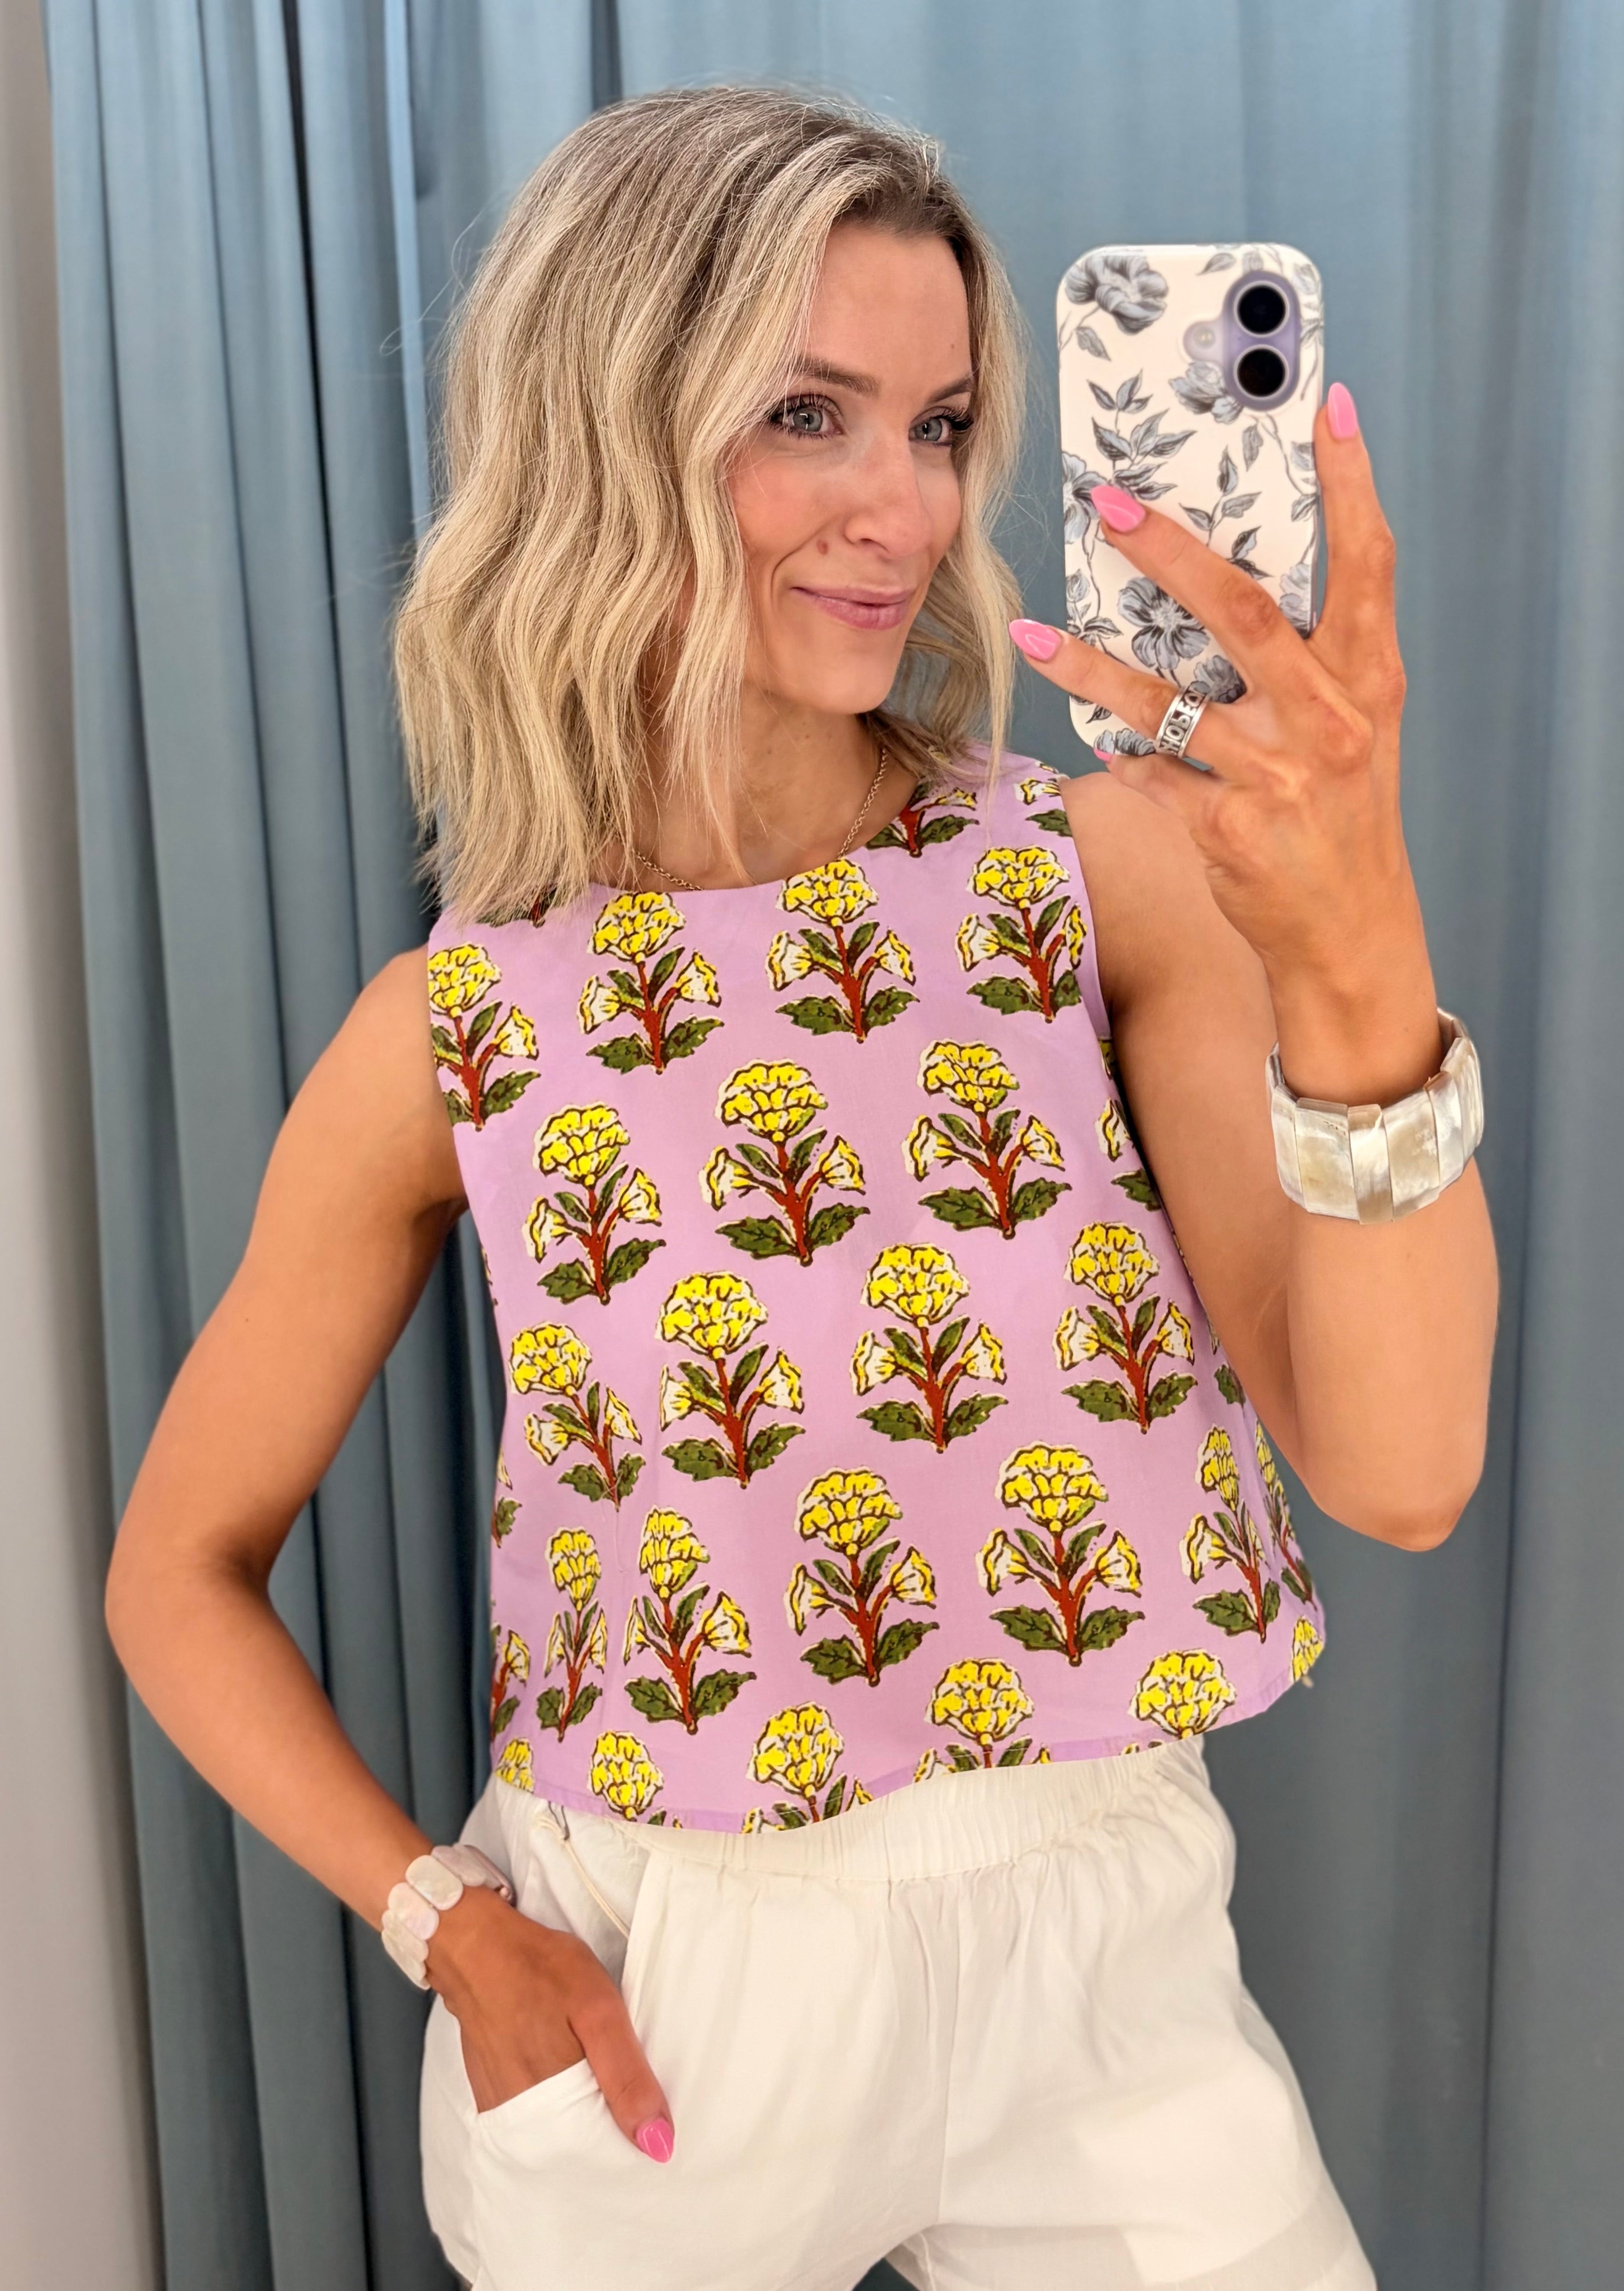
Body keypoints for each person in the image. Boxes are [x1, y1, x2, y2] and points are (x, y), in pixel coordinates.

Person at [106, 83, 1497, 2291]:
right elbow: (173, 1573)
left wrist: (1354, 937)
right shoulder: (455, 1028)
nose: (903, 507)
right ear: (610, 428)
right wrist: (446, 1924)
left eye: (936, 427)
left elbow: (1398, 1474)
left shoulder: (1095, 875)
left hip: (1106, 1959)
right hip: (668, 1991)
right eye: (805, 414)